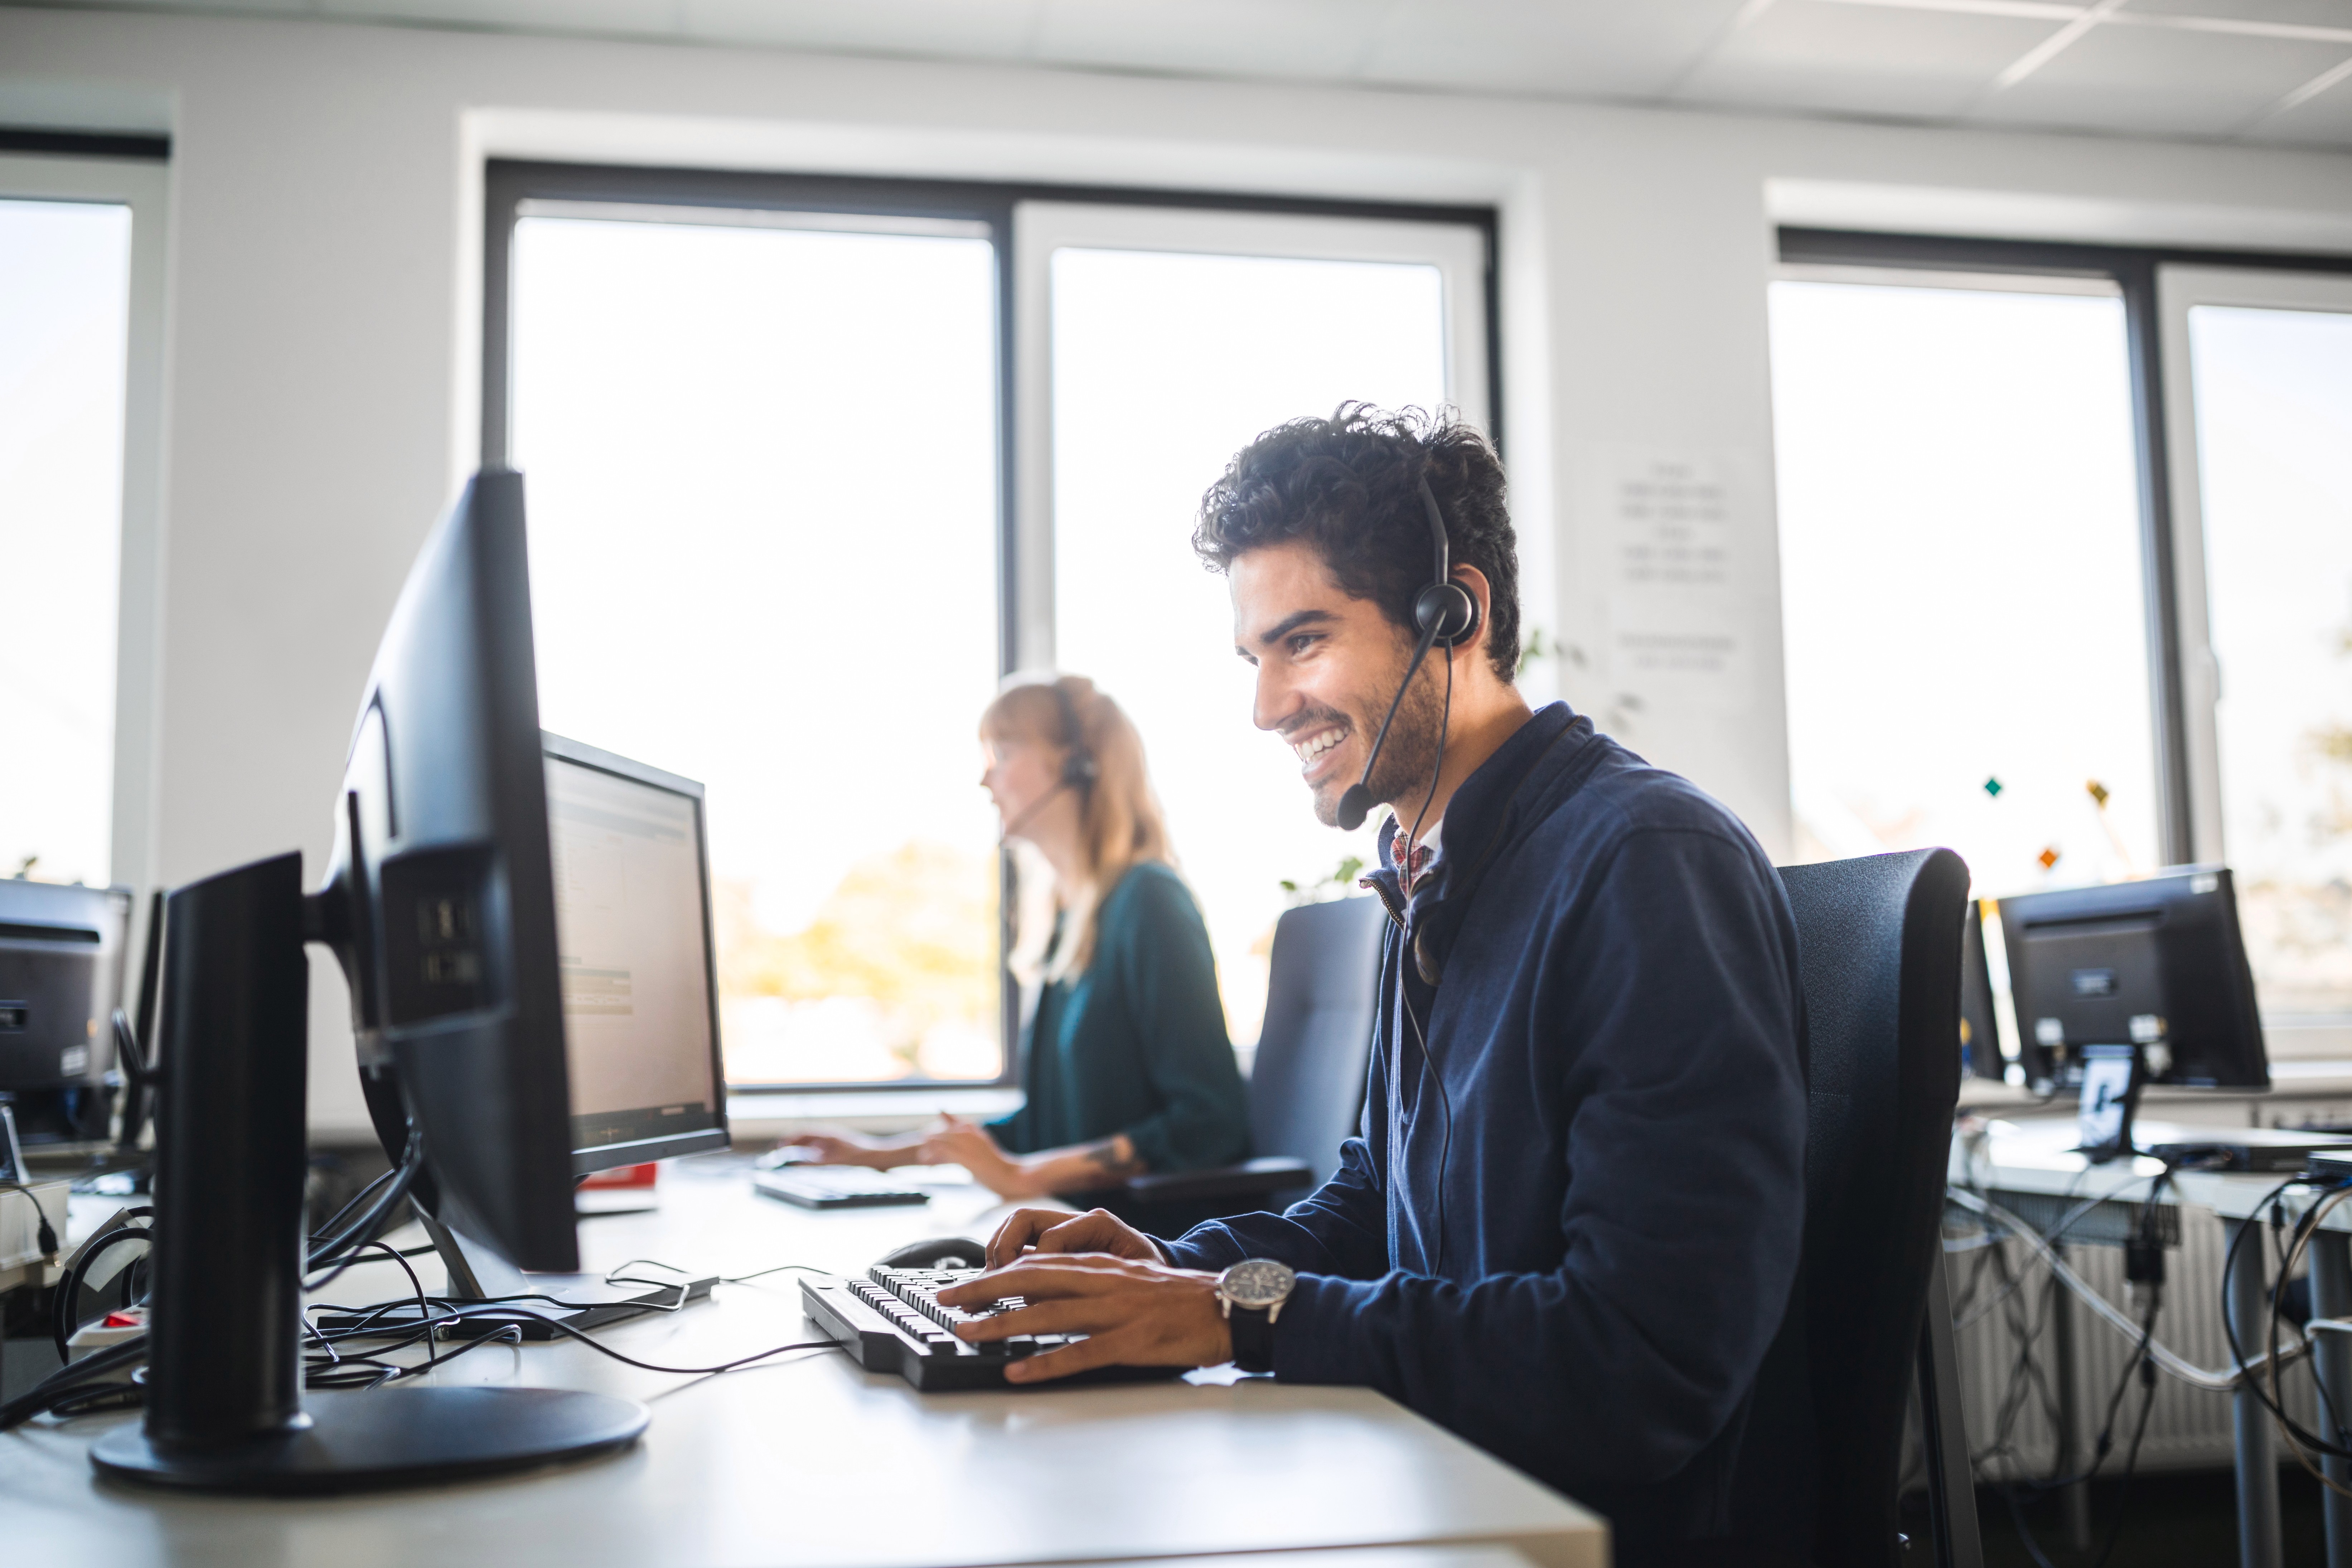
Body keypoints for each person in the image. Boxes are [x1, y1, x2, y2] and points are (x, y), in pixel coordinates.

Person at [933, 407, 1811, 1564]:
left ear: (1459, 612)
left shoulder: (1642, 865)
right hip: (1433, 1477)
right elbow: (1372, 1207)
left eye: (1303, 641)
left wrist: (1232, 1317)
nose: (1265, 707)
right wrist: (1177, 1266)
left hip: (1567, 1529)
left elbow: (1637, 1361)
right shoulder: (1433, 873)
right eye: (1257, 658)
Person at [788, 675, 1252, 1213]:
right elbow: (1041, 1127)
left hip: (1143, 1245)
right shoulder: (1072, 920)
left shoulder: (1149, 902)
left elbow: (1209, 1122)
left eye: (1004, 753)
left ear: (1077, 764)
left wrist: (1024, 1177)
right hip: (1071, 1227)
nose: (986, 779)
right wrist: (881, 1156)